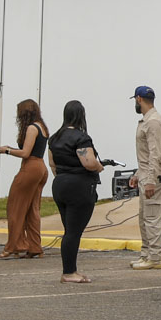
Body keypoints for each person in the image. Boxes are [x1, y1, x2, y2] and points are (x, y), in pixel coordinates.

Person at [47, 100, 106, 284]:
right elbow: (88, 162)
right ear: (81, 115)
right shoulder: (81, 137)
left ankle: (71, 269)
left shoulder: (55, 138)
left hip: (60, 184)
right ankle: (69, 272)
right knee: (73, 232)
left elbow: (52, 164)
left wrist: (63, 178)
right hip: (79, 187)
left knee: (69, 230)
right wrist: (99, 167)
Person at [0, 99, 48, 259]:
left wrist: (7, 151)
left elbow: (25, 153)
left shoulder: (32, 128)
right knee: (32, 210)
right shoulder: (42, 126)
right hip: (41, 167)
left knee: (15, 207)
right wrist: (11, 149)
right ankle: (34, 247)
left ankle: (13, 246)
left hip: (30, 167)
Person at [130, 86, 161, 268]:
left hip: (153, 177)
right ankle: (147, 253)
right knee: (144, 217)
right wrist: (138, 174)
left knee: (152, 217)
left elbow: (155, 154)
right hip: (146, 174)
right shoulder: (147, 120)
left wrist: (150, 180)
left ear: (139, 99)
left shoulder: (153, 122)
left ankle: (155, 258)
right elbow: (146, 155)